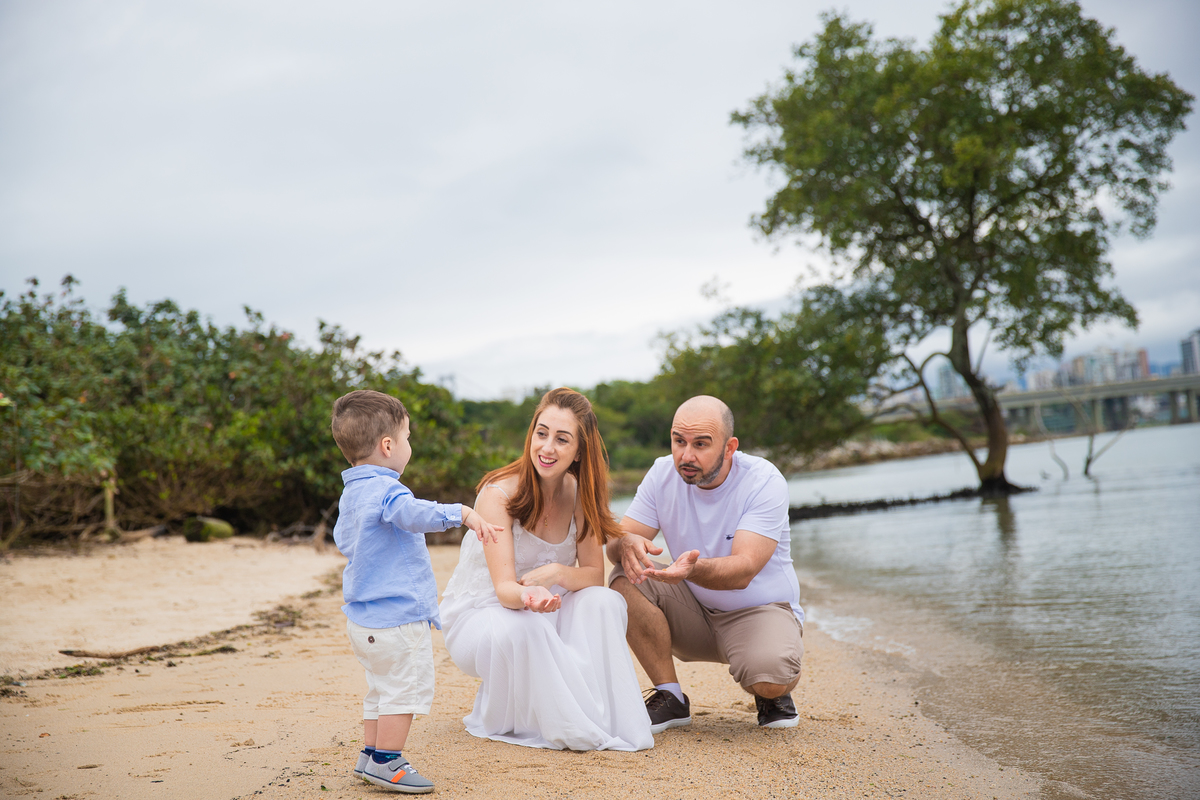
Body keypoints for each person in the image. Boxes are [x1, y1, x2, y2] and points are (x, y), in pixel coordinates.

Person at [439, 388, 653, 751]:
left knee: (605, 601)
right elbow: (505, 589)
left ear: (580, 450)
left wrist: (554, 572)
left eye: (562, 439)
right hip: (484, 614)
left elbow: (592, 575)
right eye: (541, 433)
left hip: (545, 608)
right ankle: (568, 725)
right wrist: (528, 595)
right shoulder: (499, 495)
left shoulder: (580, 493)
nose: (547, 448)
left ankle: (605, 717)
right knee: (528, 626)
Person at [330, 389, 505, 793]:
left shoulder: (352, 492)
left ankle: (369, 755)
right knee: (403, 692)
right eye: (408, 437)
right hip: (396, 620)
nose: (410, 445)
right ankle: (388, 763)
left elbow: (346, 540)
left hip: (363, 621)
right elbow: (409, 513)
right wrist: (459, 513)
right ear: (387, 445)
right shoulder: (388, 490)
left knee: (380, 690)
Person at [607, 395, 804, 731]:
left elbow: (743, 570)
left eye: (701, 444)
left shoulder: (762, 481)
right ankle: (670, 697)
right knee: (624, 576)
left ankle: (771, 693)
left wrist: (694, 570)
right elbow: (616, 543)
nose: (686, 455)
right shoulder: (661, 474)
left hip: (759, 610)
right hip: (694, 610)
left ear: (729, 448)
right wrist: (625, 542)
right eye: (678, 441)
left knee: (769, 678)